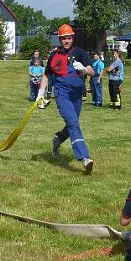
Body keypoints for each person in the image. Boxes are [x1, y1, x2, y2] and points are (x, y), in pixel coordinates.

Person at [36, 23, 96, 173]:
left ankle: (58, 138)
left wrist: (83, 69)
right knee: (73, 123)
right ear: (60, 39)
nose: (66, 41)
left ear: (72, 38)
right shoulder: (54, 55)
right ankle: (85, 158)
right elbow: (46, 75)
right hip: (62, 94)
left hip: (77, 94)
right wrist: (40, 95)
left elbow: (92, 71)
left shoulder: (80, 53)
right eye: (64, 38)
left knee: (71, 125)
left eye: (69, 38)